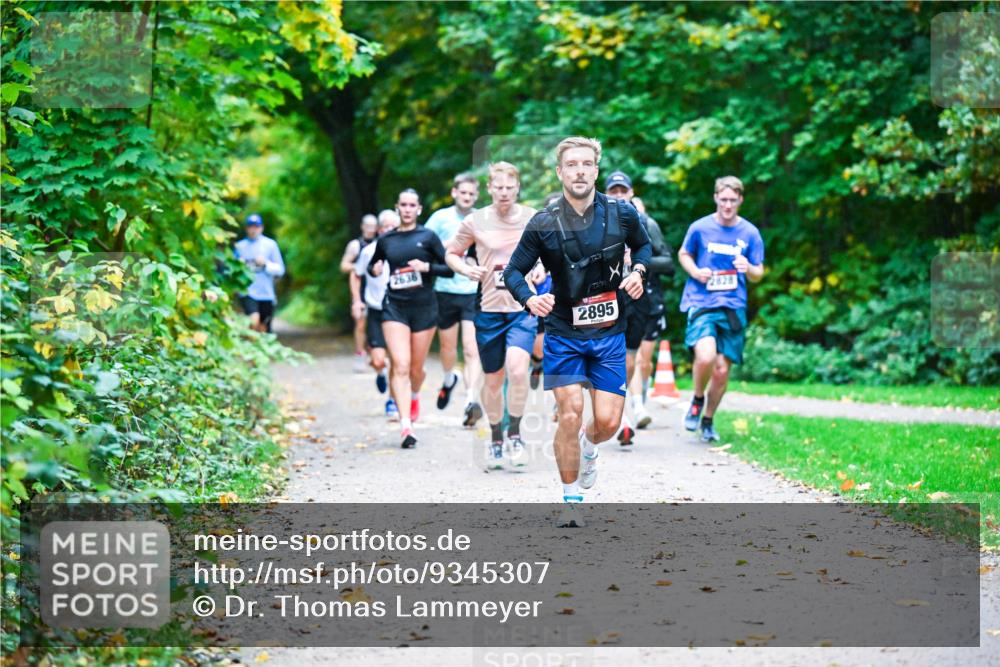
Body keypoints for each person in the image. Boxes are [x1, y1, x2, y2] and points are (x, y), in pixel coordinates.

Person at [504, 137, 650, 525]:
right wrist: (530, 299)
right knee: (569, 414)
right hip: (564, 332)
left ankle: (589, 446)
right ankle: (571, 502)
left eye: (587, 164)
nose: (580, 171)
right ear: (560, 172)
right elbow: (513, 272)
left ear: (596, 171)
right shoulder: (544, 223)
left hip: (609, 333)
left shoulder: (622, 215)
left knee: (607, 423)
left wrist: (638, 271)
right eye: (572, 165)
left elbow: (645, 247)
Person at [445, 162, 540, 468]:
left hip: (522, 308)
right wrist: (466, 268)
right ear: (489, 188)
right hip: (488, 309)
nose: (503, 193)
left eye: (509, 188)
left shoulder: (531, 217)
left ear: (517, 188)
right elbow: (451, 253)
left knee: (517, 369)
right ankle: (496, 438)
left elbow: (550, 252)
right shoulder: (476, 221)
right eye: (498, 187)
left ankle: (515, 435)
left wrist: (541, 267)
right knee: (494, 379)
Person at [678, 176, 764, 442]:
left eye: (732, 200)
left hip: (733, 305)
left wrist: (747, 267)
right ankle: (697, 398)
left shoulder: (750, 233)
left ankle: (708, 419)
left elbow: (758, 273)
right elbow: (684, 254)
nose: (727, 205)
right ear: (716, 198)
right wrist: (696, 271)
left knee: (722, 370)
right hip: (702, 301)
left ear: (740, 200)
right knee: (705, 356)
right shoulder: (700, 228)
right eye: (723, 199)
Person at [368, 189, 454, 448]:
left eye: (412, 205)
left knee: (416, 369)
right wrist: (375, 269)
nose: (407, 209)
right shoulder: (386, 240)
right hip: (394, 307)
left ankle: (414, 395)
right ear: (397, 207)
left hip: (424, 308)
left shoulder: (427, 237)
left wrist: (426, 267)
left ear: (418, 209)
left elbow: (449, 269)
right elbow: (372, 266)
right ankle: (407, 426)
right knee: (401, 365)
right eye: (403, 204)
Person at [603, 171, 675, 444]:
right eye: (614, 191)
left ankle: (627, 408)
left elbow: (667, 263)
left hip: (639, 298)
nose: (619, 195)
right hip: (605, 298)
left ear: (631, 193)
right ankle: (619, 416)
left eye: (623, 191)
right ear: (607, 194)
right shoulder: (596, 222)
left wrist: (637, 264)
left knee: (632, 359)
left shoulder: (645, 223)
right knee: (608, 355)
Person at [424, 174, 485, 427]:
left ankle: (471, 401)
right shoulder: (440, 218)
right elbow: (422, 244)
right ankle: (450, 378)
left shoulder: (483, 218)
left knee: (472, 349)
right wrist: (451, 245)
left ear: (476, 196)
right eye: (463, 193)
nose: (467, 197)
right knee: (448, 349)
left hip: (473, 291)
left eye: (472, 194)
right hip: (445, 290)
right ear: (454, 193)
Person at [353, 209, 401, 420]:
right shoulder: (369, 251)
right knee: (379, 360)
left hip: (398, 309)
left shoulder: (404, 250)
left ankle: (392, 400)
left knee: (396, 360)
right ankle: (380, 372)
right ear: (380, 229)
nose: (389, 230)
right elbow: (356, 275)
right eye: (386, 226)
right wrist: (357, 300)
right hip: (375, 309)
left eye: (393, 226)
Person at [234, 213, 285, 333]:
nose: (253, 230)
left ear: (261, 228)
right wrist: (239, 265)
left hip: (266, 293)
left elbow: (280, 270)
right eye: (250, 226)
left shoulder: (270, 245)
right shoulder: (239, 246)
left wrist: (266, 264)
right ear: (246, 228)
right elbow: (232, 272)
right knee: (253, 322)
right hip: (247, 291)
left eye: (256, 227)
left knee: (264, 329)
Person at [341, 214, 379, 373]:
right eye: (367, 226)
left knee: (377, 322)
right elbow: (344, 265)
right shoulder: (355, 245)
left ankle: (375, 353)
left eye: (373, 226)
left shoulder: (380, 243)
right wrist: (360, 266)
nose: (370, 229)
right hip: (361, 287)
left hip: (376, 287)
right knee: (361, 322)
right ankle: (359, 354)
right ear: (362, 227)